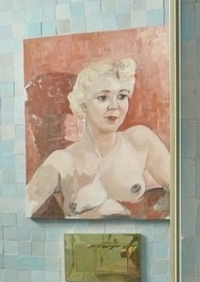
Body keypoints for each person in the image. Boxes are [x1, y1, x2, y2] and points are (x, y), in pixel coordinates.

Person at [25, 58, 170, 219]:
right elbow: (19, 212)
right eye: (102, 98)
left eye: (122, 96)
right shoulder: (62, 162)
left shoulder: (140, 140)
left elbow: (184, 191)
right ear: (83, 104)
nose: (114, 106)